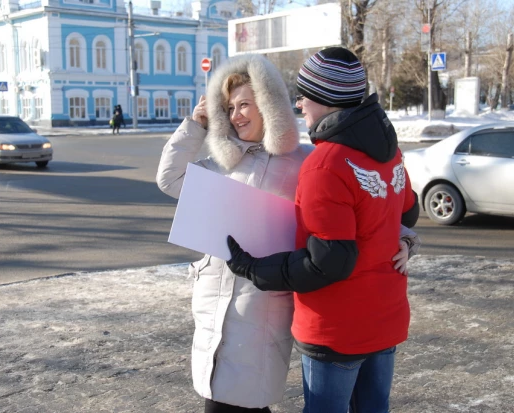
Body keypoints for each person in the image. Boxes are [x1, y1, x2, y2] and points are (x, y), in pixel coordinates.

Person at [157, 54, 418, 412]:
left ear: (269, 104)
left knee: (243, 400)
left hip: (263, 302)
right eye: (228, 108)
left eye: (245, 104)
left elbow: (376, 208)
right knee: (217, 396)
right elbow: (169, 179)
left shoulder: (306, 162)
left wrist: (405, 239)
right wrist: (196, 124)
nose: (236, 115)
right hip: (214, 301)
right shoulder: (222, 163)